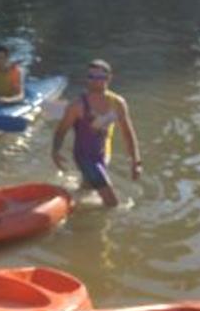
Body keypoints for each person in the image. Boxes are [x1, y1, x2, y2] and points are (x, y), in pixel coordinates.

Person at [51, 58, 142, 207]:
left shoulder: (118, 103)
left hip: (103, 154)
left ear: (108, 78)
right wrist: (55, 151)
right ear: (86, 79)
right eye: (91, 77)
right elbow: (61, 130)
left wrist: (136, 161)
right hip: (84, 156)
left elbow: (128, 132)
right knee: (112, 203)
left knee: (88, 187)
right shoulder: (77, 106)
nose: (95, 81)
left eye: (100, 77)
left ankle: (70, 201)